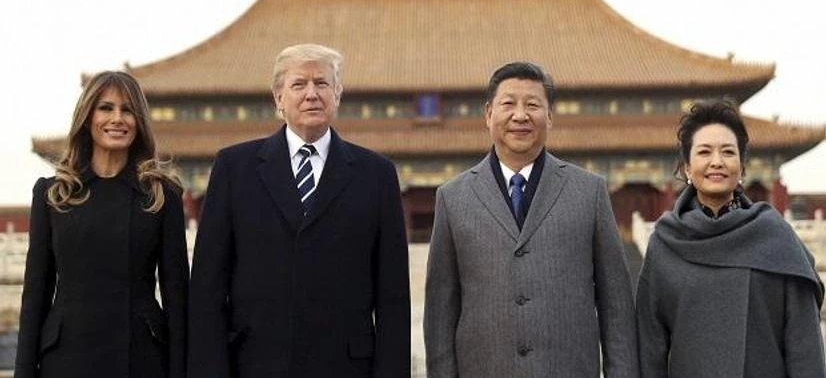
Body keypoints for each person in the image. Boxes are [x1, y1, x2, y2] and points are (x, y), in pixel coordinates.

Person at [188, 43, 411, 378]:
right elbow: (208, 287)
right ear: (278, 98)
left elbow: (392, 296)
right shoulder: (235, 168)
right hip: (254, 363)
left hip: (345, 366)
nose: (311, 94)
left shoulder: (376, 174)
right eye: (298, 84)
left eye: (322, 83)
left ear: (338, 94)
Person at [424, 61, 639, 378]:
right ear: (488, 114)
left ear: (550, 116)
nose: (520, 115)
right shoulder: (453, 198)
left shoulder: (589, 192)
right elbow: (440, 313)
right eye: (508, 104)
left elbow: (616, 305)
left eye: (533, 105)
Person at [15, 71, 189, 378]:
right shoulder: (54, 194)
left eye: (128, 110)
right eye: (106, 108)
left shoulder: (161, 197)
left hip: (141, 360)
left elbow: (177, 300)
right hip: (66, 359)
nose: (117, 118)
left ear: (140, 121)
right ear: (87, 116)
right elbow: (36, 296)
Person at [636, 99, 825, 378]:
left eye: (727, 152)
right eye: (704, 152)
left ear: (741, 166)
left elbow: (805, 346)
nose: (717, 162)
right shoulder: (665, 243)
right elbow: (650, 348)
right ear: (687, 167)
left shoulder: (775, 237)